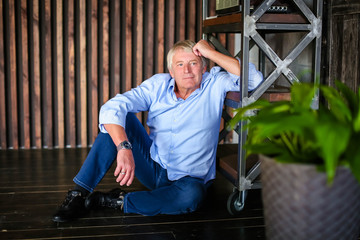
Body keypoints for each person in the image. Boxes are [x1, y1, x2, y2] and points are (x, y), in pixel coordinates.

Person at [52, 39, 263, 222]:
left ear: (204, 68)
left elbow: (254, 80)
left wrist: (209, 52)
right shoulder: (158, 85)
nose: (187, 70)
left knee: (192, 196)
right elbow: (112, 107)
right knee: (118, 118)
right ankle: (79, 195)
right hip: (154, 169)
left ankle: (116, 201)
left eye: (193, 63)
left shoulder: (215, 82)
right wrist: (124, 147)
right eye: (180, 64)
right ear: (171, 71)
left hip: (189, 179)